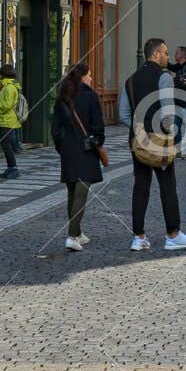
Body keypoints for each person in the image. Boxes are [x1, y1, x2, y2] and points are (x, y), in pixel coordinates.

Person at [120, 37, 186, 252]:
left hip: (137, 140)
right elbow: (166, 112)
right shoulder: (164, 77)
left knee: (140, 187)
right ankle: (173, 235)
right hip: (158, 140)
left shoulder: (129, 80)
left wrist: (139, 127)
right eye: (165, 52)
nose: (167, 56)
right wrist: (169, 135)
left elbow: (123, 114)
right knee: (167, 186)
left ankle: (138, 237)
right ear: (155, 54)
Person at [51, 62, 106, 251]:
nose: (91, 78)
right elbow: (98, 126)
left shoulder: (62, 97)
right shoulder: (90, 97)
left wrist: (62, 148)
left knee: (72, 192)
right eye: (89, 75)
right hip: (86, 149)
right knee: (81, 194)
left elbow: (55, 129)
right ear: (82, 77)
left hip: (67, 149)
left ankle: (79, 233)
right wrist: (98, 141)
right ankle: (72, 236)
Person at [0, 63, 25, 180]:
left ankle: (13, 168)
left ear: (3, 74)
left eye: (0, 73)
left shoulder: (9, 87)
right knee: (6, 145)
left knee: (7, 146)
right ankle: (10, 167)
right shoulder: (5, 86)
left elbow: (7, 105)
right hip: (4, 119)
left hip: (8, 120)